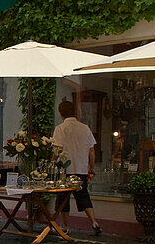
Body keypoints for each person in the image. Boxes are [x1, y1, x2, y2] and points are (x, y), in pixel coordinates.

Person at [52, 100, 102, 237]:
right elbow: (92, 150)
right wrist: (91, 167)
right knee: (84, 196)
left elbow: (58, 149)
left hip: (65, 171)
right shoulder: (85, 128)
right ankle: (94, 222)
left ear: (61, 113)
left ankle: (65, 226)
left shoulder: (60, 129)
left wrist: (52, 163)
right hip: (81, 169)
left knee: (63, 199)